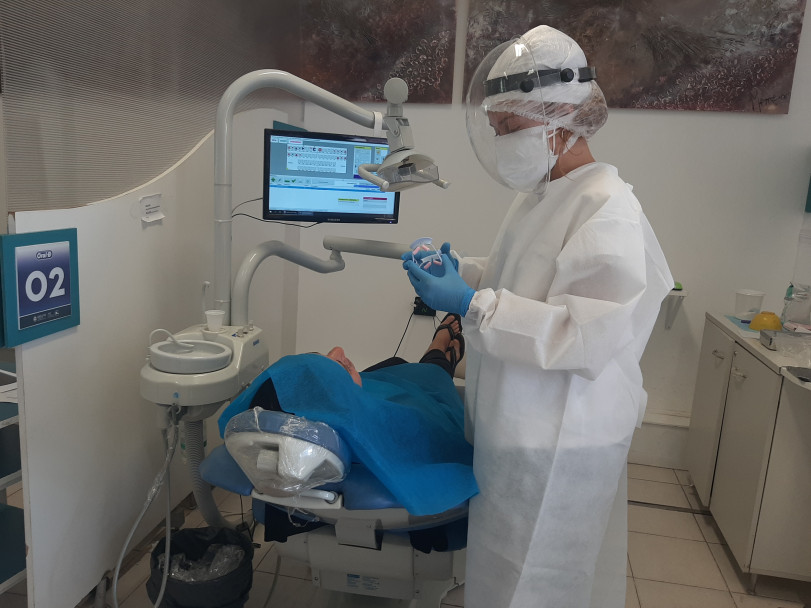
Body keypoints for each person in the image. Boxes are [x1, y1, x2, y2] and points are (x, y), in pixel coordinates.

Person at [401, 25, 673, 608]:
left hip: (564, 437)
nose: (500, 141)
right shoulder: (545, 194)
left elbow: (584, 335)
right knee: (505, 567)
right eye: (497, 128)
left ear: (558, 120)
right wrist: (464, 272)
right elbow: (524, 277)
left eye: (508, 128)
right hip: (523, 422)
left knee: (541, 578)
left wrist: (469, 303)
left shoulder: (606, 209)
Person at [217, 313, 477, 517]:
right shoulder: (395, 426)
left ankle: (439, 351)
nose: (339, 350)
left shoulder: (322, 411)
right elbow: (444, 434)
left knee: (395, 363)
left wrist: (345, 383)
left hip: (366, 394)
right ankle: (440, 349)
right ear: (332, 404)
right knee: (430, 374)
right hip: (408, 392)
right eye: (331, 365)